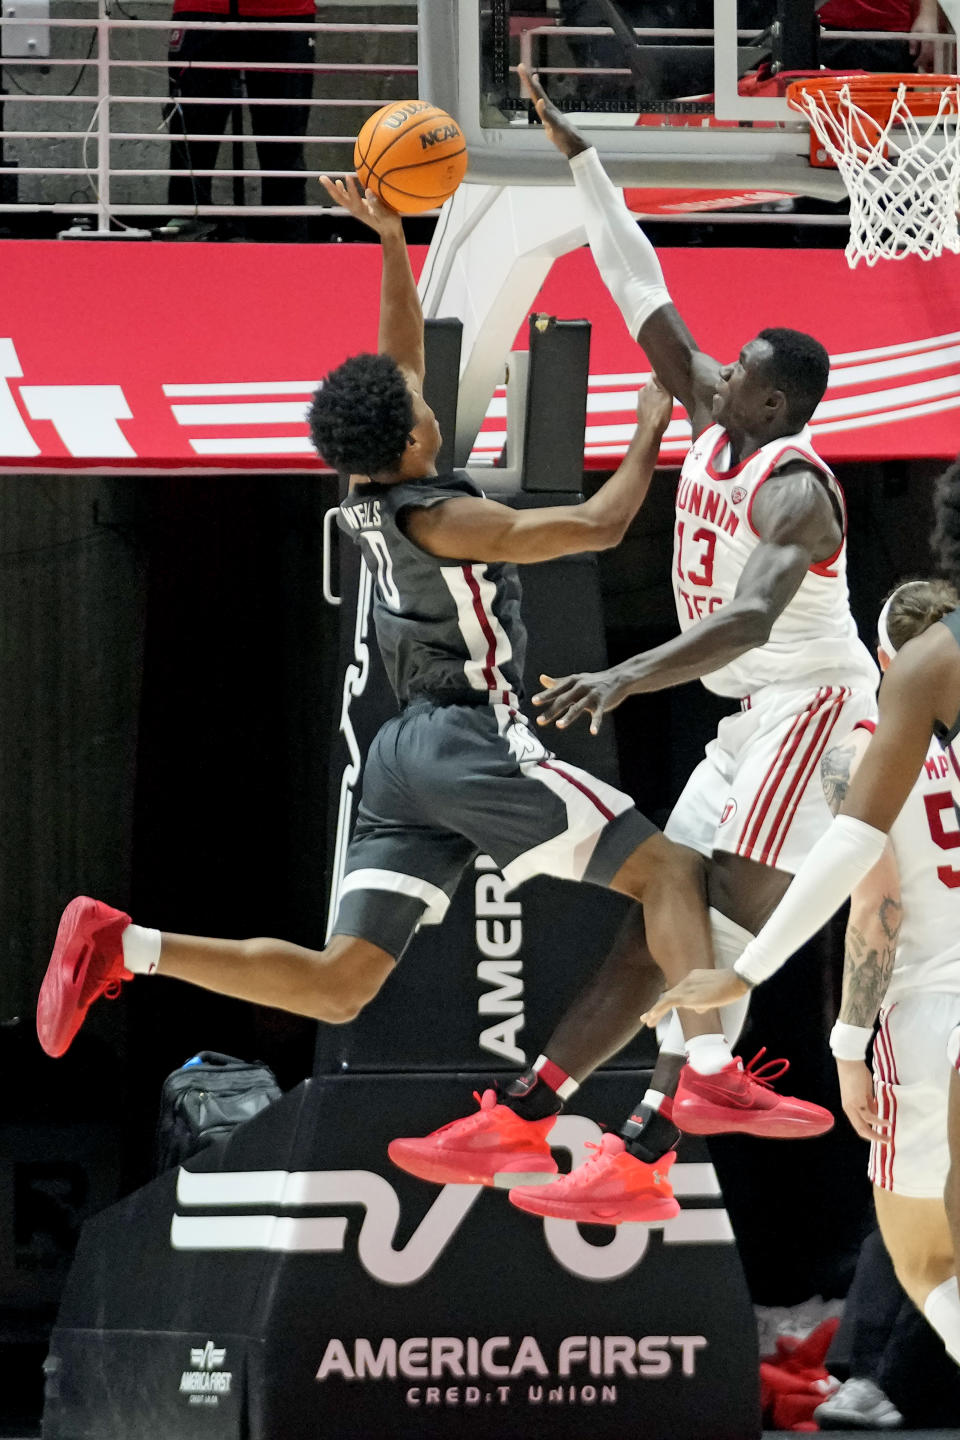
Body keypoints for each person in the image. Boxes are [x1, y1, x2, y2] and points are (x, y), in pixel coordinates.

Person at [35, 175, 826, 1223]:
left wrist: (395, 238)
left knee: (340, 984)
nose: (426, 404)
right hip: (471, 741)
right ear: (409, 443)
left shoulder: (364, 484)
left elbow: (398, 352)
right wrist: (647, 430)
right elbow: (592, 527)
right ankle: (712, 1070)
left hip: (397, 761)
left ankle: (124, 943)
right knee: (675, 873)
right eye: (420, 412)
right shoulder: (445, 516)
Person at [496, 68, 876, 1224]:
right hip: (745, 711)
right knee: (667, 913)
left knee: (718, 921)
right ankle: (600, 1121)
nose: (716, 378)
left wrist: (620, 673)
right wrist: (580, 161)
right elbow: (639, 286)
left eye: (741, 377)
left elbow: (752, 619)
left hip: (810, 706)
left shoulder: (798, 491)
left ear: (775, 409)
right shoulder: (720, 406)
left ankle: (666, 1129)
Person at [646, 464, 960, 1363]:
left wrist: (844, 1044)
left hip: (926, 1019)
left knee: (921, 1255)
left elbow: (874, 903)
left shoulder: (869, 746)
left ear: (886, 662)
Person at [166, 0, 314, 241]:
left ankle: (287, 245)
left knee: (284, 139)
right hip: (203, 10)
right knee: (192, 134)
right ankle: (184, 238)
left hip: (284, 12)